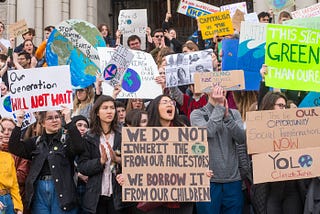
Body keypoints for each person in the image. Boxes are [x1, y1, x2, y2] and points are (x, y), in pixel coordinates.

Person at [8, 108, 85, 213]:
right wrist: (19, 122)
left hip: (61, 190)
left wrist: (68, 120)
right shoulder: (36, 142)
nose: (54, 120)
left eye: (57, 117)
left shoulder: (66, 140)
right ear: (42, 123)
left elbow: (79, 147)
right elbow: (14, 147)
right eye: (49, 118)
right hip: (39, 191)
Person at [190, 85, 246, 214]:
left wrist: (227, 117)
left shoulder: (234, 113)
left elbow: (241, 138)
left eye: (224, 86)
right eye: (216, 85)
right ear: (207, 90)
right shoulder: (197, 114)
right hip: (209, 181)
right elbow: (207, 132)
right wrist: (220, 107)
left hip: (233, 180)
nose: (221, 88)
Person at [251, 91, 307, 214]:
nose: (283, 109)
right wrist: (264, 81)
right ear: (270, 106)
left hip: (292, 190)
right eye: (280, 105)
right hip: (271, 190)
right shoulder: (259, 130)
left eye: (285, 106)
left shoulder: (294, 128)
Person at [78, 95, 133, 213]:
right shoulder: (89, 137)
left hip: (118, 197)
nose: (109, 111)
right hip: (96, 198)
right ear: (97, 112)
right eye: (105, 108)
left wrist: (117, 159)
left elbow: (136, 163)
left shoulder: (124, 134)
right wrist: (100, 161)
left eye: (112, 108)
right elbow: (82, 167)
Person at [1, 118, 30, 214]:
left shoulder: (22, 149)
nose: (6, 133)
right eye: (2, 130)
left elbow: (20, 177)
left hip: (17, 199)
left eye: (10, 130)